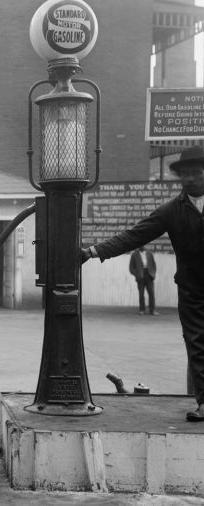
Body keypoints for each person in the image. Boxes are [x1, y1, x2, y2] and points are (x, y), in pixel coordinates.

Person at [81, 144, 204, 422]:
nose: (191, 179)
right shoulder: (171, 210)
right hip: (192, 290)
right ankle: (203, 403)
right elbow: (134, 236)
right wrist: (93, 251)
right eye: (185, 174)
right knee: (197, 344)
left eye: (197, 173)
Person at [129, 245, 158, 315]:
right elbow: (131, 268)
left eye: (144, 244)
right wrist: (137, 275)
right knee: (141, 294)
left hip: (149, 275)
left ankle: (152, 310)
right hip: (140, 276)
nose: (142, 245)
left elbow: (154, 265)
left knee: (151, 293)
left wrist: (153, 274)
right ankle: (142, 310)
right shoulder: (134, 254)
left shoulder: (149, 253)